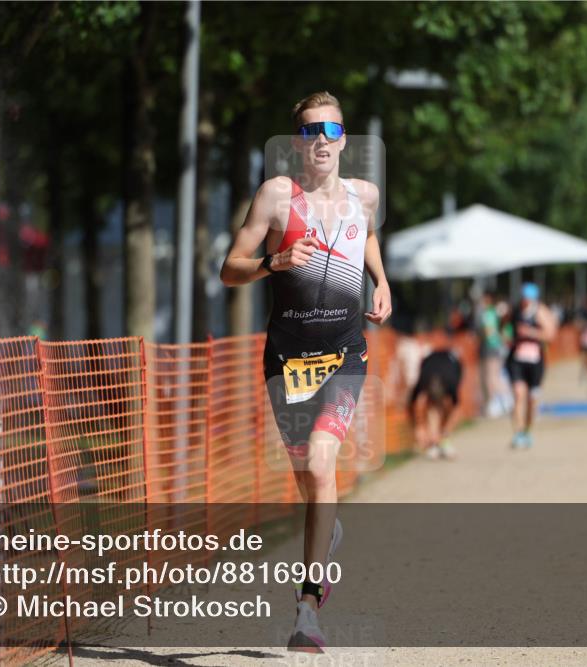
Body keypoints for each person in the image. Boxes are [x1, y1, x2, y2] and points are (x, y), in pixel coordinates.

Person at [219, 91, 391, 653]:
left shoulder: (365, 196)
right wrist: (273, 262)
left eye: (333, 131)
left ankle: (308, 607)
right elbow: (229, 269)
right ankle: (327, 525)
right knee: (309, 479)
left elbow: (366, 235)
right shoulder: (275, 197)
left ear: (345, 138)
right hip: (288, 360)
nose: (322, 140)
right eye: (312, 130)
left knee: (321, 463)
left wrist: (382, 282)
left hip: (345, 353)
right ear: (297, 141)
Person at [506, 283, 557, 449]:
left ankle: (527, 430)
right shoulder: (515, 311)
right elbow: (506, 328)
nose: (525, 301)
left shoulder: (541, 312)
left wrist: (530, 332)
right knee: (518, 394)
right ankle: (518, 432)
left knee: (532, 399)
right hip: (517, 359)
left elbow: (550, 335)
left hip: (535, 361)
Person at [409, 334, 464, 460]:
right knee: (433, 408)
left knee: (449, 410)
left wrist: (445, 431)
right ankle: (434, 443)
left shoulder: (452, 382)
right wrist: (419, 427)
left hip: (454, 364)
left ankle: (443, 440)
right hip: (430, 362)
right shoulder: (423, 380)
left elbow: (458, 408)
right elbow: (413, 401)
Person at [477, 291, 508, 417]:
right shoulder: (494, 312)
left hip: (490, 347)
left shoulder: (488, 313)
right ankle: (503, 401)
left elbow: (489, 332)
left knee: (490, 377)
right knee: (494, 375)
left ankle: (496, 402)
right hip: (496, 346)